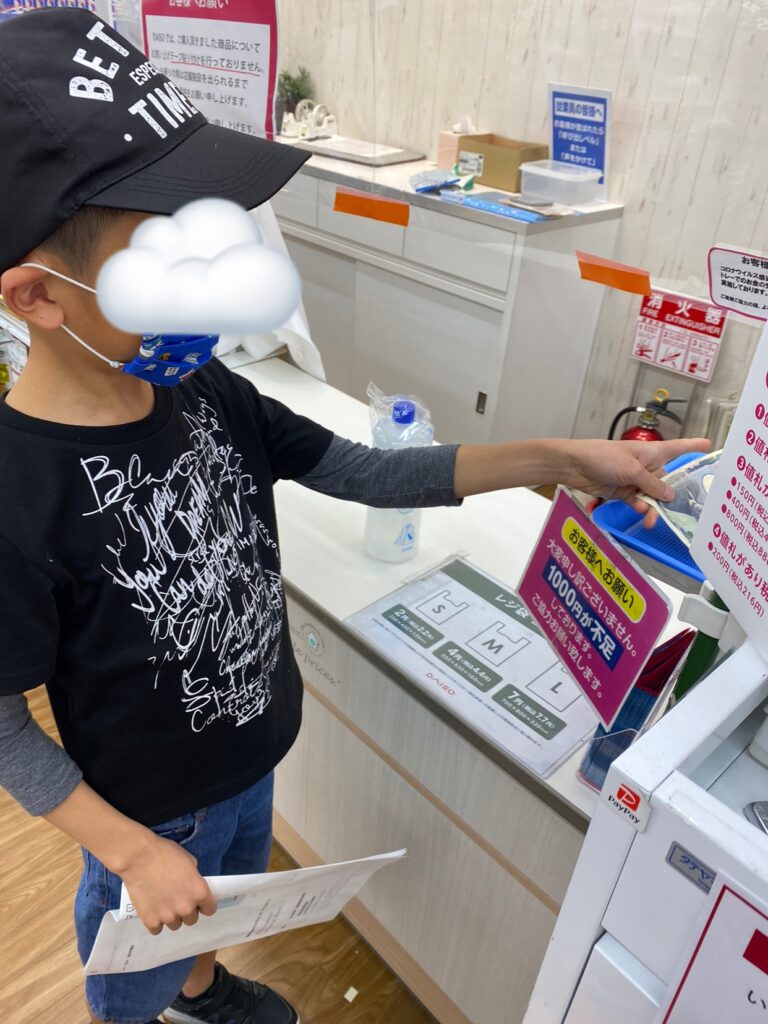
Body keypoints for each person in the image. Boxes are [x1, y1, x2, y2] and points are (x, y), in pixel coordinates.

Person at [0, 11, 709, 1024]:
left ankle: (200, 990)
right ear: (39, 296)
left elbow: (368, 471)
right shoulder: (20, 493)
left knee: (220, 907)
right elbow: (5, 725)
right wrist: (131, 852)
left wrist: (562, 459)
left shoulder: (203, 389)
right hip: (147, 812)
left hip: (252, 750)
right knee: (136, 968)